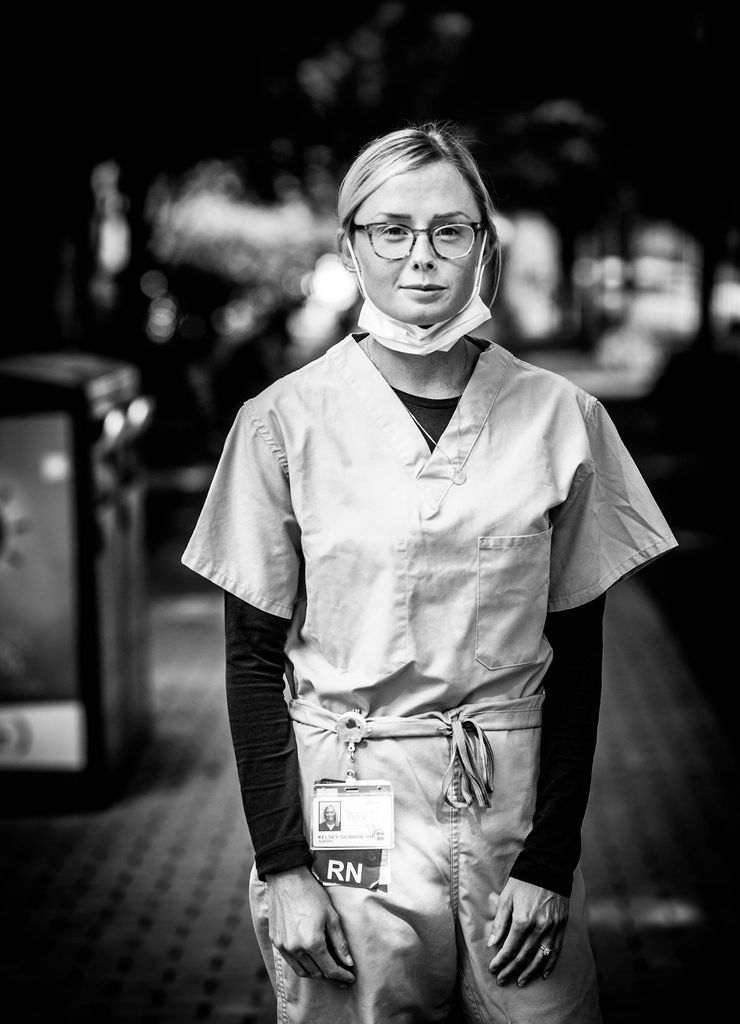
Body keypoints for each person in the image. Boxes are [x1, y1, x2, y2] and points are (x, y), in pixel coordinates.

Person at [182, 121, 678, 1023]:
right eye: (392, 230)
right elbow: (252, 662)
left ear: (484, 246)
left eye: (451, 230)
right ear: (351, 246)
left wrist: (549, 860)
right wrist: (285, 867)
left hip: (508, 811)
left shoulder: (561, 418)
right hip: (349, 811)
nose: (422, 257)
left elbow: (578, 655)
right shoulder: (279, 424)